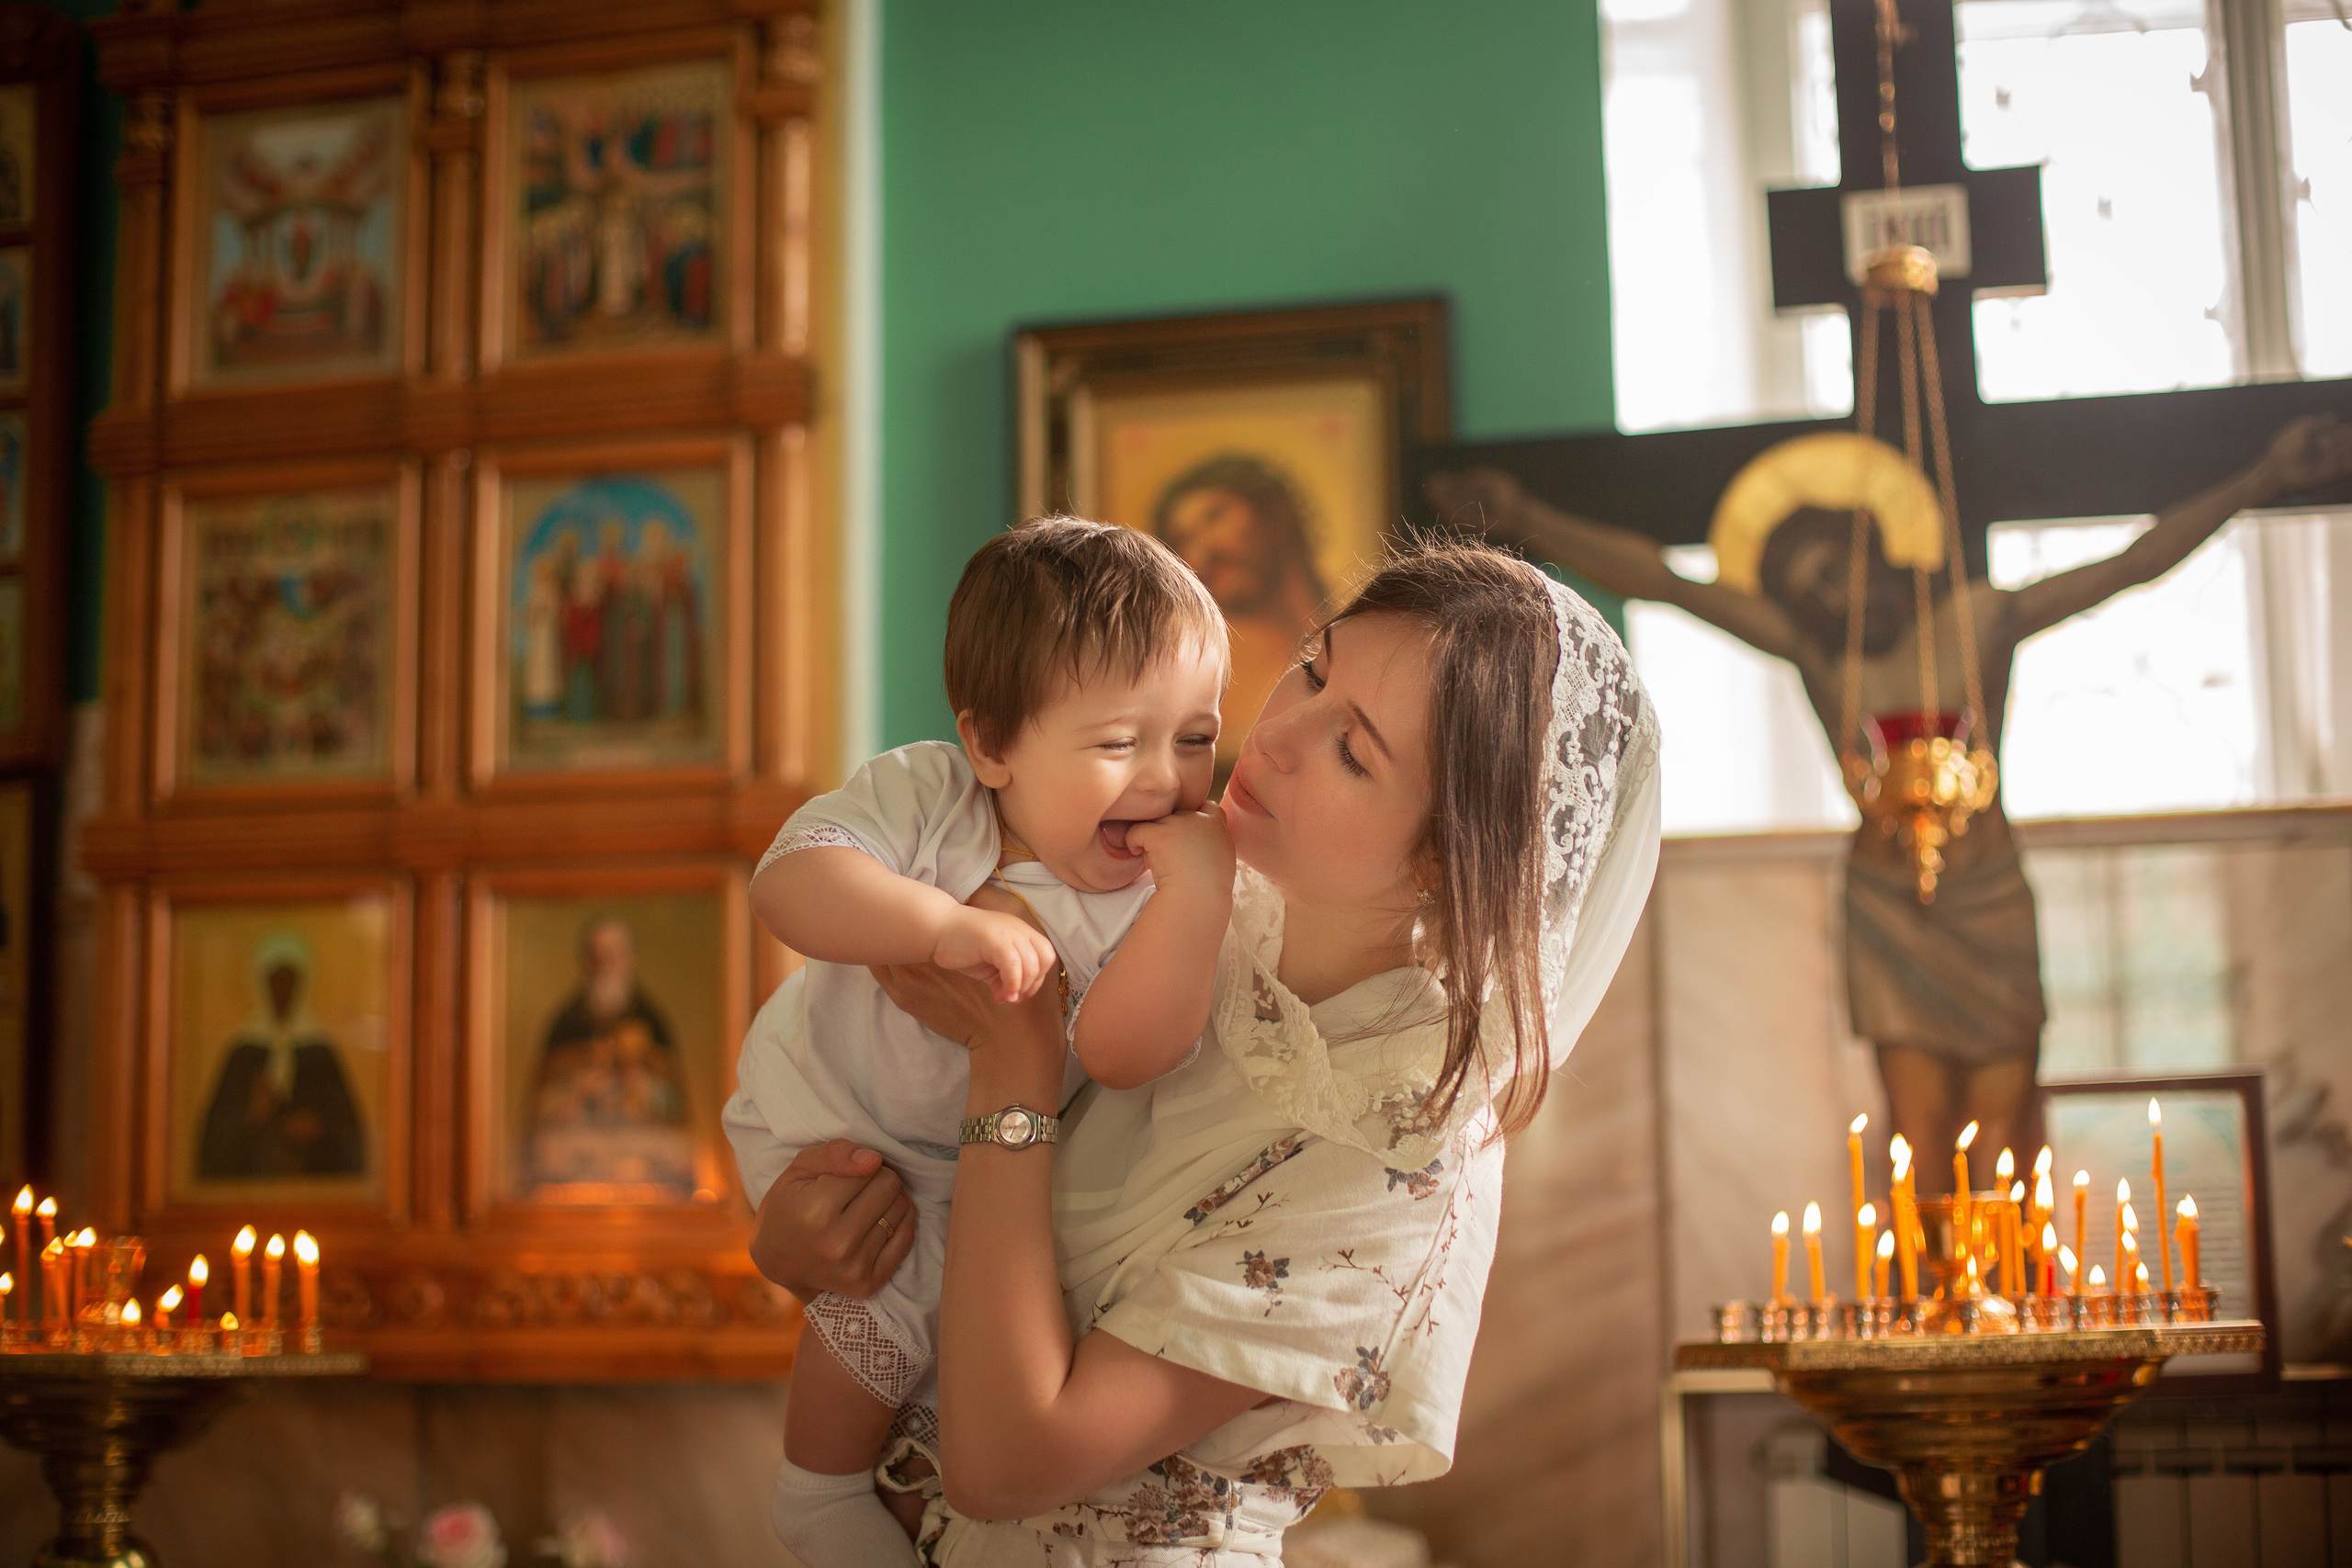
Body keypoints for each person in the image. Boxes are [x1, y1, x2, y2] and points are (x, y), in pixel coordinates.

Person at [742, 539, 1661, 1563]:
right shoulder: (1175, 899)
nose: (1271, 738)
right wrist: (810, 1242)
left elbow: (1005, 1464)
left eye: (1354, 751)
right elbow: (939, 1194)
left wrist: (1012, 1063)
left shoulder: (1398, 1143)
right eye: (1313, 668)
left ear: (1448, 860)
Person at [1427, 412, 2352, 1189]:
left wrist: (2262, 475)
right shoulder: (1821, 656)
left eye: (1835, 570)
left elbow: (2134, 561)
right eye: (1807, 591)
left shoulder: (1982, 621)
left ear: (1876, 546)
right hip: (1884, 907)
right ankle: (1937, 1305)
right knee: (1918, 1138)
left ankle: (2004, 1305)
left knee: (1997, 1137)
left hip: (1985, 899)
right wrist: (1528, 522)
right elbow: (1663, 582)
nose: (1829, 597)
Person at [724, 518, 1236, 1568]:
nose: (1164, 778)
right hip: (832, 1117)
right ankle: (813, 1492)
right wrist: (943, 926)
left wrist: (1196, 901)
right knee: (892, 1281)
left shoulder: (1154, 898)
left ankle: (873, 1487)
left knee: (947, 1295)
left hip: (971, 1164)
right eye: (1115, 743)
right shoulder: (927, 796)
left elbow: (1132, 1052)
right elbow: (791, 881)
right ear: (992, 743)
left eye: (1194, 737)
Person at [1151, 454, 1332, 771]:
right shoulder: (1203, 681)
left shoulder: (1353, 641)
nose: (1202, 552)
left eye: (1214, 517)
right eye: (1184, 540)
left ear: (1275, 513)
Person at [525, 915, 693, 1199]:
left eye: (615, 955)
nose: (607, 964)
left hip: (637, 1138)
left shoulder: (652, 1021)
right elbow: (542, 1107)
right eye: (599, 956)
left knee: (675, 1151)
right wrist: (577, 1091)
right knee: (549, 1150)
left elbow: (675, 1105)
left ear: (629, 959)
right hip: (582, 1140)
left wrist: (643, 1088)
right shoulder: (566, 1024)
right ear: (587, 962)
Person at [197, 931, 367, 1180]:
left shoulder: (320, 1052)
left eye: (290, 980)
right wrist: (251, 1115)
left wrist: (316, 1127)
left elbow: (348, 1134)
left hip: (311, 1181)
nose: (283, 989)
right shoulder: (244, 1052)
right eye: (276, 980)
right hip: (254, 1182)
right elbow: (215, 1138)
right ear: (261, 983)